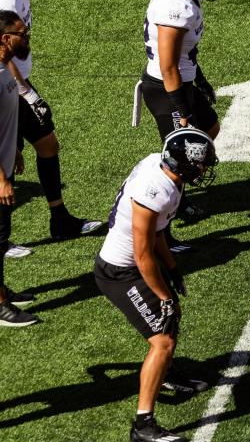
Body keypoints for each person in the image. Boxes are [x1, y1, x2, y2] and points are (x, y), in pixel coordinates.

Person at [94, 127, 218, 442]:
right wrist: (163, 294)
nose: (204, 169)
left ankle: (165, 373)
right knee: (162, 339)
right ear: (183, 164)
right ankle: (143, 425)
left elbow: (159, 232)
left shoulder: (162, 172)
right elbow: (143, 252)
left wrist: (173, 270)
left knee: (170, 320)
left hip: (134, 265)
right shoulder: (156, 190)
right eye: (200, 164)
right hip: (120, 271)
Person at [0, 0, 103, 254]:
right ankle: (1, 240)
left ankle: (60, 219)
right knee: (5, 164)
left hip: (17, 82)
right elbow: (2, 56)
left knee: (47, 144)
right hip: (8, 85)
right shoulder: (4, 1)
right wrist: (27, 93)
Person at [139, 0, 222, 251]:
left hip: (180, 82)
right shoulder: (176, 8)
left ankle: (181, 200)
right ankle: (163, 233)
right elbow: (168, 64)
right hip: (166, 88)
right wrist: (182, 111)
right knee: (179, 162)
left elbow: (184, 54)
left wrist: (199, 79)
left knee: (210, 128)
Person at [0, 10, 39, 326]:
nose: (25, 38)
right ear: (5, 38)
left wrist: (15, 150)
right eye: (21, 33)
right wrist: (2, 179)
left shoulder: (4, 69)